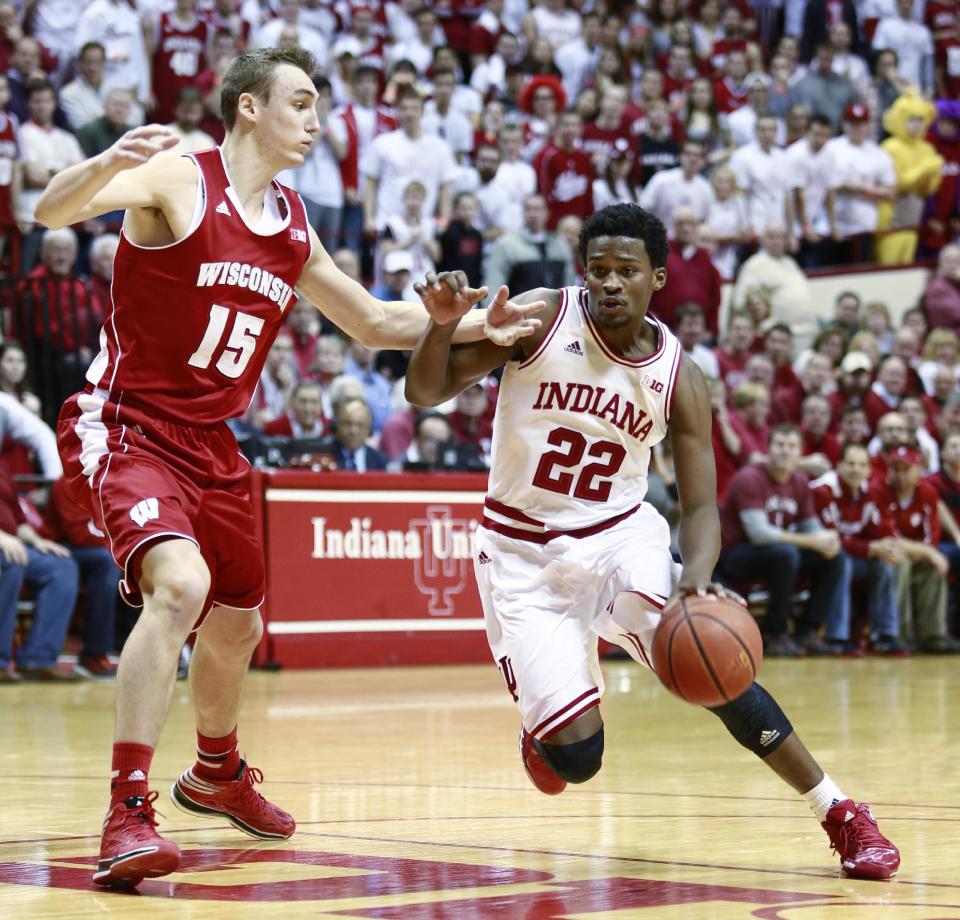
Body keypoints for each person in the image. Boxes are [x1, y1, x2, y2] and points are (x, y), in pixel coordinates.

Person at [36, 47, 541, 888]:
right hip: (129, 425)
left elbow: (377, 322)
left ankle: (218, 772)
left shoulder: (294, 223)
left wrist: (475, 324)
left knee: (239, 625)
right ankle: (126, 811)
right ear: (247, 108)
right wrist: (100, 164)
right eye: (301, 103)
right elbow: (47, 211)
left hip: (214, 446)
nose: (316, 121)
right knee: (179, 588)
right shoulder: (176, 179)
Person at [403, 202, 899, 881]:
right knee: (577, 763)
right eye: (598, 270)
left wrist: (696, 576)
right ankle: (551, 724)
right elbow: (425, 389)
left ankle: (840, 813)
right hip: (522, 555)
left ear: (657, 279)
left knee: (713, 661)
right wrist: (439, 328)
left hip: (619, 538)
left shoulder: (678, 376)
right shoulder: (544, 318)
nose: (609, 283)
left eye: (626, 271)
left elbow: (701, 507)